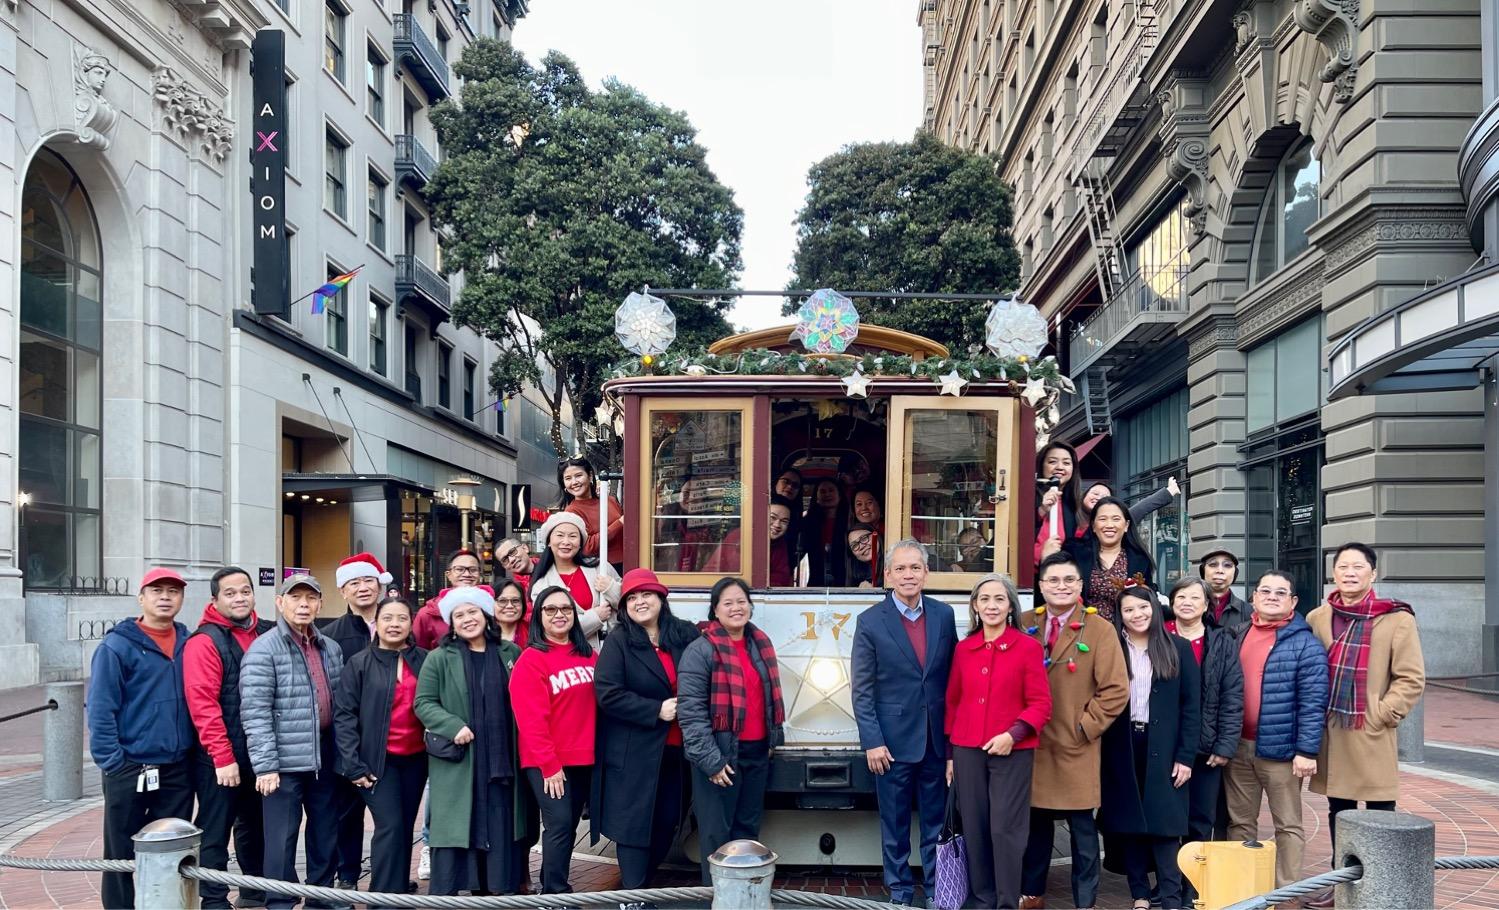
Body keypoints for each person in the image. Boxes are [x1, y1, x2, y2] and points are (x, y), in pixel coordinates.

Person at [1306, 542, 1425, 905]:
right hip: (1333, 731)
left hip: (1370, 730)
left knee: (1380, 810)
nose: (1350, 572)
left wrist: (1383, 713)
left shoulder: (1396, 618)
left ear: (1373, 574)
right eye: (1343, 566)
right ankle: (1341, 879)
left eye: (1358, 566)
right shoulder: (1318, 617)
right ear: (1334, 574)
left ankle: (1380, 879)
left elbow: (1411, 677)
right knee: (1338, 810)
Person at [1018, 551, 1129, 910]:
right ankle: (1032, 894)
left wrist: (1085, 727)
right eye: (1053, 580)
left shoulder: (1099, 628)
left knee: (1083, 834)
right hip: (1032, 745)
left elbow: (1115, 689)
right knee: (1035, 829)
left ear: (1080, 586)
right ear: (1041, 585)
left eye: (1069, 580)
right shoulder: (1024, 622)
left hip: (1076, 745)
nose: (1061, 586)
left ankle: (1086, 902)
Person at [851, 539, 957, 906]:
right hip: (890, 745)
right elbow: (862, 689)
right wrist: (872, 741)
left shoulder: (944, 616)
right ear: (888, 575)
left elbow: (951, 682)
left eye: (915, 568)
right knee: (894, 826)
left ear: (926, 573)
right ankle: (898, 893)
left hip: (934, 741)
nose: (908, 575)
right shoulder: (870, 622)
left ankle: (935, 890)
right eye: (900, 568)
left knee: (934, 825)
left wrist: (952, 745)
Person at [87, 567, 197, 910]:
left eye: (173, 591)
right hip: (130, 767)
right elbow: (101, 708)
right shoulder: (117, 646)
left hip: (177, 768)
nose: (165, 597)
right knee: (119, 853)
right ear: (141, 598)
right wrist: (114, 763)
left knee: (170, 848)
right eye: (157, 590)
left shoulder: (188, 641)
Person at [414, 585, 532, 896]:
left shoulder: (511, 653)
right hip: (460, 759)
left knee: (500, 816)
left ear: (486, 614)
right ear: (451, 623)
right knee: (456, 821)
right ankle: (453, 888)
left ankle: (497, 886)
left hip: (502, 760)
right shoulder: (439, 657)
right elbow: (423, 703)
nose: (468, 619)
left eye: (473, 612)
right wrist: (452, 725)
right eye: (459, 615)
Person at [945, 573, 1052, 909]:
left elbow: (1041, 704)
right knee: (974, 827)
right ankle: (982, 899)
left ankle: (1007, 901)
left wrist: (1013, 734)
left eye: (999, 599)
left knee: (1006, 829)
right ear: (975, 606)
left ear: (1010, 607)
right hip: (966, 749)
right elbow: (953, 701)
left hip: (1012, 750)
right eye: (985, 599)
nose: (991, 605)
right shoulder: (964, 649)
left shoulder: (1028, 648)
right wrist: (951, 755)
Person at [240, 573, 346, 910]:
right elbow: (255, 711)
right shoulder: (264, 648)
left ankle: (321, 898)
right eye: (296, 598)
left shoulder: (330, 646)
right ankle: (280, 902)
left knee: (325, 833)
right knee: (281, 840)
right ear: (280, 603)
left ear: (319, 603)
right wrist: (266, 765)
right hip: (283, 763)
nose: (304, 604)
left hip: (323, 756)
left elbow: (340, 702)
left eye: (311, 598)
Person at [593, 568, 701, 888]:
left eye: (647, 594)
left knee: (668, 822)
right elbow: (607, 693)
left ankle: (639, 884)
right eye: (632, 597)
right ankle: (633, 893)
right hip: (635, 751)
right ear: (624, 604)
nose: (640, 602)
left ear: (660, 598)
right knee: (634, 825)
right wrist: (655, 710)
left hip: (677, 749)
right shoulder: (620, 641)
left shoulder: (684, 634)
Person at [1223, 570, 1329, 890]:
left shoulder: (1305, 643)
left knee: (1288, 825)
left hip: (1282, 752)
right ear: (1254, 597)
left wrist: (1306, 751)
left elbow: (1314, 702)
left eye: (1280, 593)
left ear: (1293, 601)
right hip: (1239, 748)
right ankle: (1243, 889)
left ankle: (1288, 890)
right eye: (1265, 591)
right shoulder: (1238, 634)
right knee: (1240, 823)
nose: (1272, 597)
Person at [1099, 586, 1201, 910]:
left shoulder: (1178, 648)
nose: (1137, 615)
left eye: (1143, 607)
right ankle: (1140, 894)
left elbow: (1191, 708)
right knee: (1130, 822)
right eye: (1128, 610)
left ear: (1155, 609)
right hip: (1123, 745)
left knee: (1166, 824)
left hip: (1166, 747)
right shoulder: (1113, 648)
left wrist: (1186, 757)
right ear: (1120, 615)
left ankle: (1170, 897)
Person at [678, 577, 786, 883]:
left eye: (741, 601)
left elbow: (766, 699)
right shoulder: (700, 650)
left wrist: (771, 740)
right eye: (728, 603)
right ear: (715, 610)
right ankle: (718, 896)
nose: (736, 608)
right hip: (719, 756)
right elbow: (691, 713)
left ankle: (743, 896)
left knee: (747, 831)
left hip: (755, 752)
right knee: (716, 835)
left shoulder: (760, 643)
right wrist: (710, 761)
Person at [183, 566, 275, 910]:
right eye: (231, 593)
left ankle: (253, 890)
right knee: (215, 829)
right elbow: (203, 704)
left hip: (258, 753)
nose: (240, 598)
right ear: (215, 600)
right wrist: (223, 757)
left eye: (245, 591)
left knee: (255, 824)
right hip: (220, 757)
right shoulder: (205, 641)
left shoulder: (267, 631)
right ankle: (213, 899)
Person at [333, 593, 428, 904]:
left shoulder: (424, 659)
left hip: (415, 759)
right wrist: (353, 765)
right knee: (389, 825)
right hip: (375, 761)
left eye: (401, 618)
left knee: (403, 824)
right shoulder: (359, 663)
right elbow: (344, 715)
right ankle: (384, 896)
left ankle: (398, 884)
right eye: (387, 618)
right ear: (377, 624)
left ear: (411, 622)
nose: (394, 624)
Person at [510, 586, 600, 895]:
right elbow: (531, 720)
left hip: (584, 759)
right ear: (539, 617)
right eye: (551, 610)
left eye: (566, 609)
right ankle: (554, 892)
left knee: (568, 826)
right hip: (547, 761)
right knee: (559, 825)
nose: (559, 615)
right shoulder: (532, 660)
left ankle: (556, 885)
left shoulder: (589, 655)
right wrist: (549, 766)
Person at [323, 551, 396, 891]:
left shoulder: (397, 623)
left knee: (392, 818)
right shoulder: (331, 634)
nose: (363, 588)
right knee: (346, 813)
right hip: (347, 740)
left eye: (368, 580)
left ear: (380, 584)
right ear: (343, 591)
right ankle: (347, 876)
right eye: (354, 583)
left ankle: (390, 880)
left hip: (394, 739)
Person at [1165, 577, 1244, 856]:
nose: (1187, 603)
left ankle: (1192, 885)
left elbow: (1232, 696)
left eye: (1195, 598)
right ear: (1172, 601)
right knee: (1167, 817)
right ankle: (1169, 882)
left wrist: (1224, 746)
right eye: (1181, 597)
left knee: (1200, 818)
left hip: (1206, 746)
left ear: (1207, 605)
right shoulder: (1159, 637)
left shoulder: (1222, 640)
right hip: (1165, 745)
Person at [1048, 496, 1156, 622]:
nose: (1109, 525)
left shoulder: (1140, 559)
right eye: (1103, 519)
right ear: (1093, 526)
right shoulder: (1074, 553)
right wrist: (1047, 556)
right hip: (1081, 630)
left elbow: (1148, 598)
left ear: (1126, 525)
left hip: (1125, 633)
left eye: (1116, 519)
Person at [1033, 478, 1179, 563]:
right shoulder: (1065, 513)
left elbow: (1140, 509)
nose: (1098, 497)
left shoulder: (1108, 525)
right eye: (1095, 493)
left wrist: (1169, 492)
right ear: (1084, 495)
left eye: (1103, 496)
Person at [529, 511, 620, 644]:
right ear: (548, 541)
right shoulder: (542, 585)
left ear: (580, 542)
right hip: (572, 654)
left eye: (573, 536)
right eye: (559, 535)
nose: (566, 542)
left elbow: (628, 605)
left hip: (610, 647)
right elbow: (552, 629)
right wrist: (595, 617)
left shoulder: (600, 568)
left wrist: (611, 589)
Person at [559, 455, 625, 569]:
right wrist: (619, 523)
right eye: (568, 478)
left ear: (590, 476)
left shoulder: (610, 500)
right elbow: (587, 547)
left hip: (630, 562)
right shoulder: (570, 512)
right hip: (602, 570)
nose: (574, 482)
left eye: (578, 475)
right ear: (564, 484)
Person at [413, 548, 486, 651]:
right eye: (460, 569)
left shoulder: (491, 608)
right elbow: (418, 654)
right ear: (448, 575)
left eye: (473, 569)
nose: (467, 574)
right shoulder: (427, 614)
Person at [801, 478, 850, 586]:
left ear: (840, 495)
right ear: (816, 498)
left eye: (831, 490)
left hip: (846, 579)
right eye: (822, 491)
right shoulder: (806, 523)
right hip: (815, 579)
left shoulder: (850, 522)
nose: (827, 494)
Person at [1035, 442, 1084, 542]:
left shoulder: (1077, 502)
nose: (1060, 467)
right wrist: (1041, 511)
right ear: (1041, 465)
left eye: (1066, 463)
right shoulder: (1026, 495)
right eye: (1052, 462)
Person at [1201, 549, 1250, 633]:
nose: (1220, 571)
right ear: (1203, 570)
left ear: (1235, 573)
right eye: (1213, 564)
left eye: (1227, 565)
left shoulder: (1248, 612)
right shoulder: (1190, 607)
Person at [768, 495, 799, 586]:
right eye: (772, 517)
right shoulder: (741, 538)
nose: (777, 525)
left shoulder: (780, 543)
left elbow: (782, 578)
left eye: (784, 521)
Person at [845, 522, 883, 587]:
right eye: (854, 545)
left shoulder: (893, 565)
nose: (861, 546)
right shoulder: (857, 578)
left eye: (864, 538)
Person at [493, 579, 529, 646]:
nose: (510, 606)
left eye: (515, 601)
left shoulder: (535, 632)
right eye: (502, 601)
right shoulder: (482, 633)